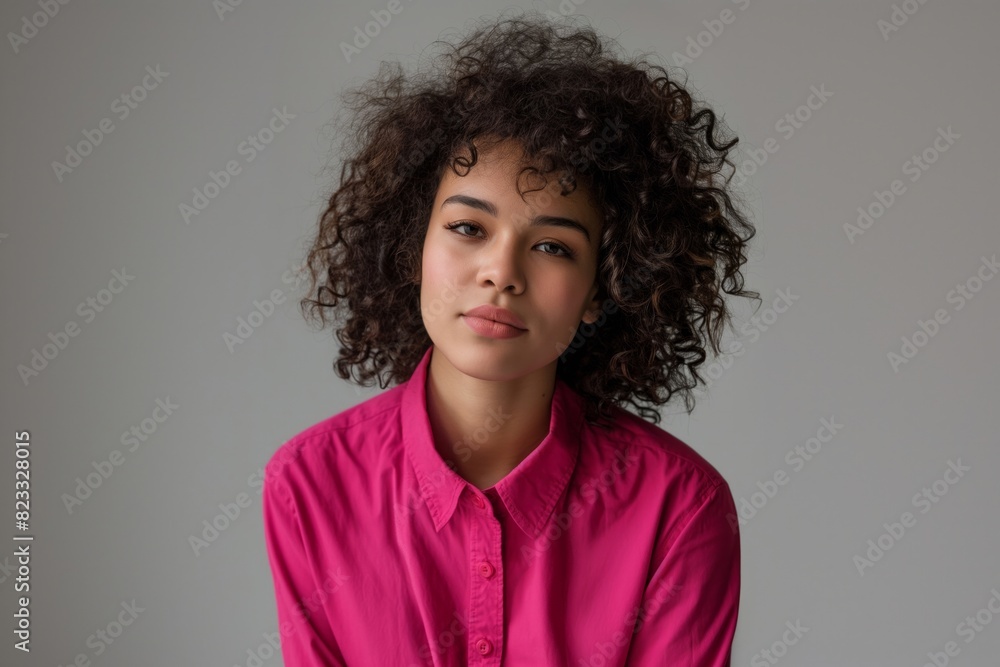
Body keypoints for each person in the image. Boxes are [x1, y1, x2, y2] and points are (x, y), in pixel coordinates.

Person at [263, 10, 759, 666]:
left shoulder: (679, 507)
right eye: (469, 228)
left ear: (601, 291)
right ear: (414, 247)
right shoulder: (311, 486)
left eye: (553, 245)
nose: (501, 271)